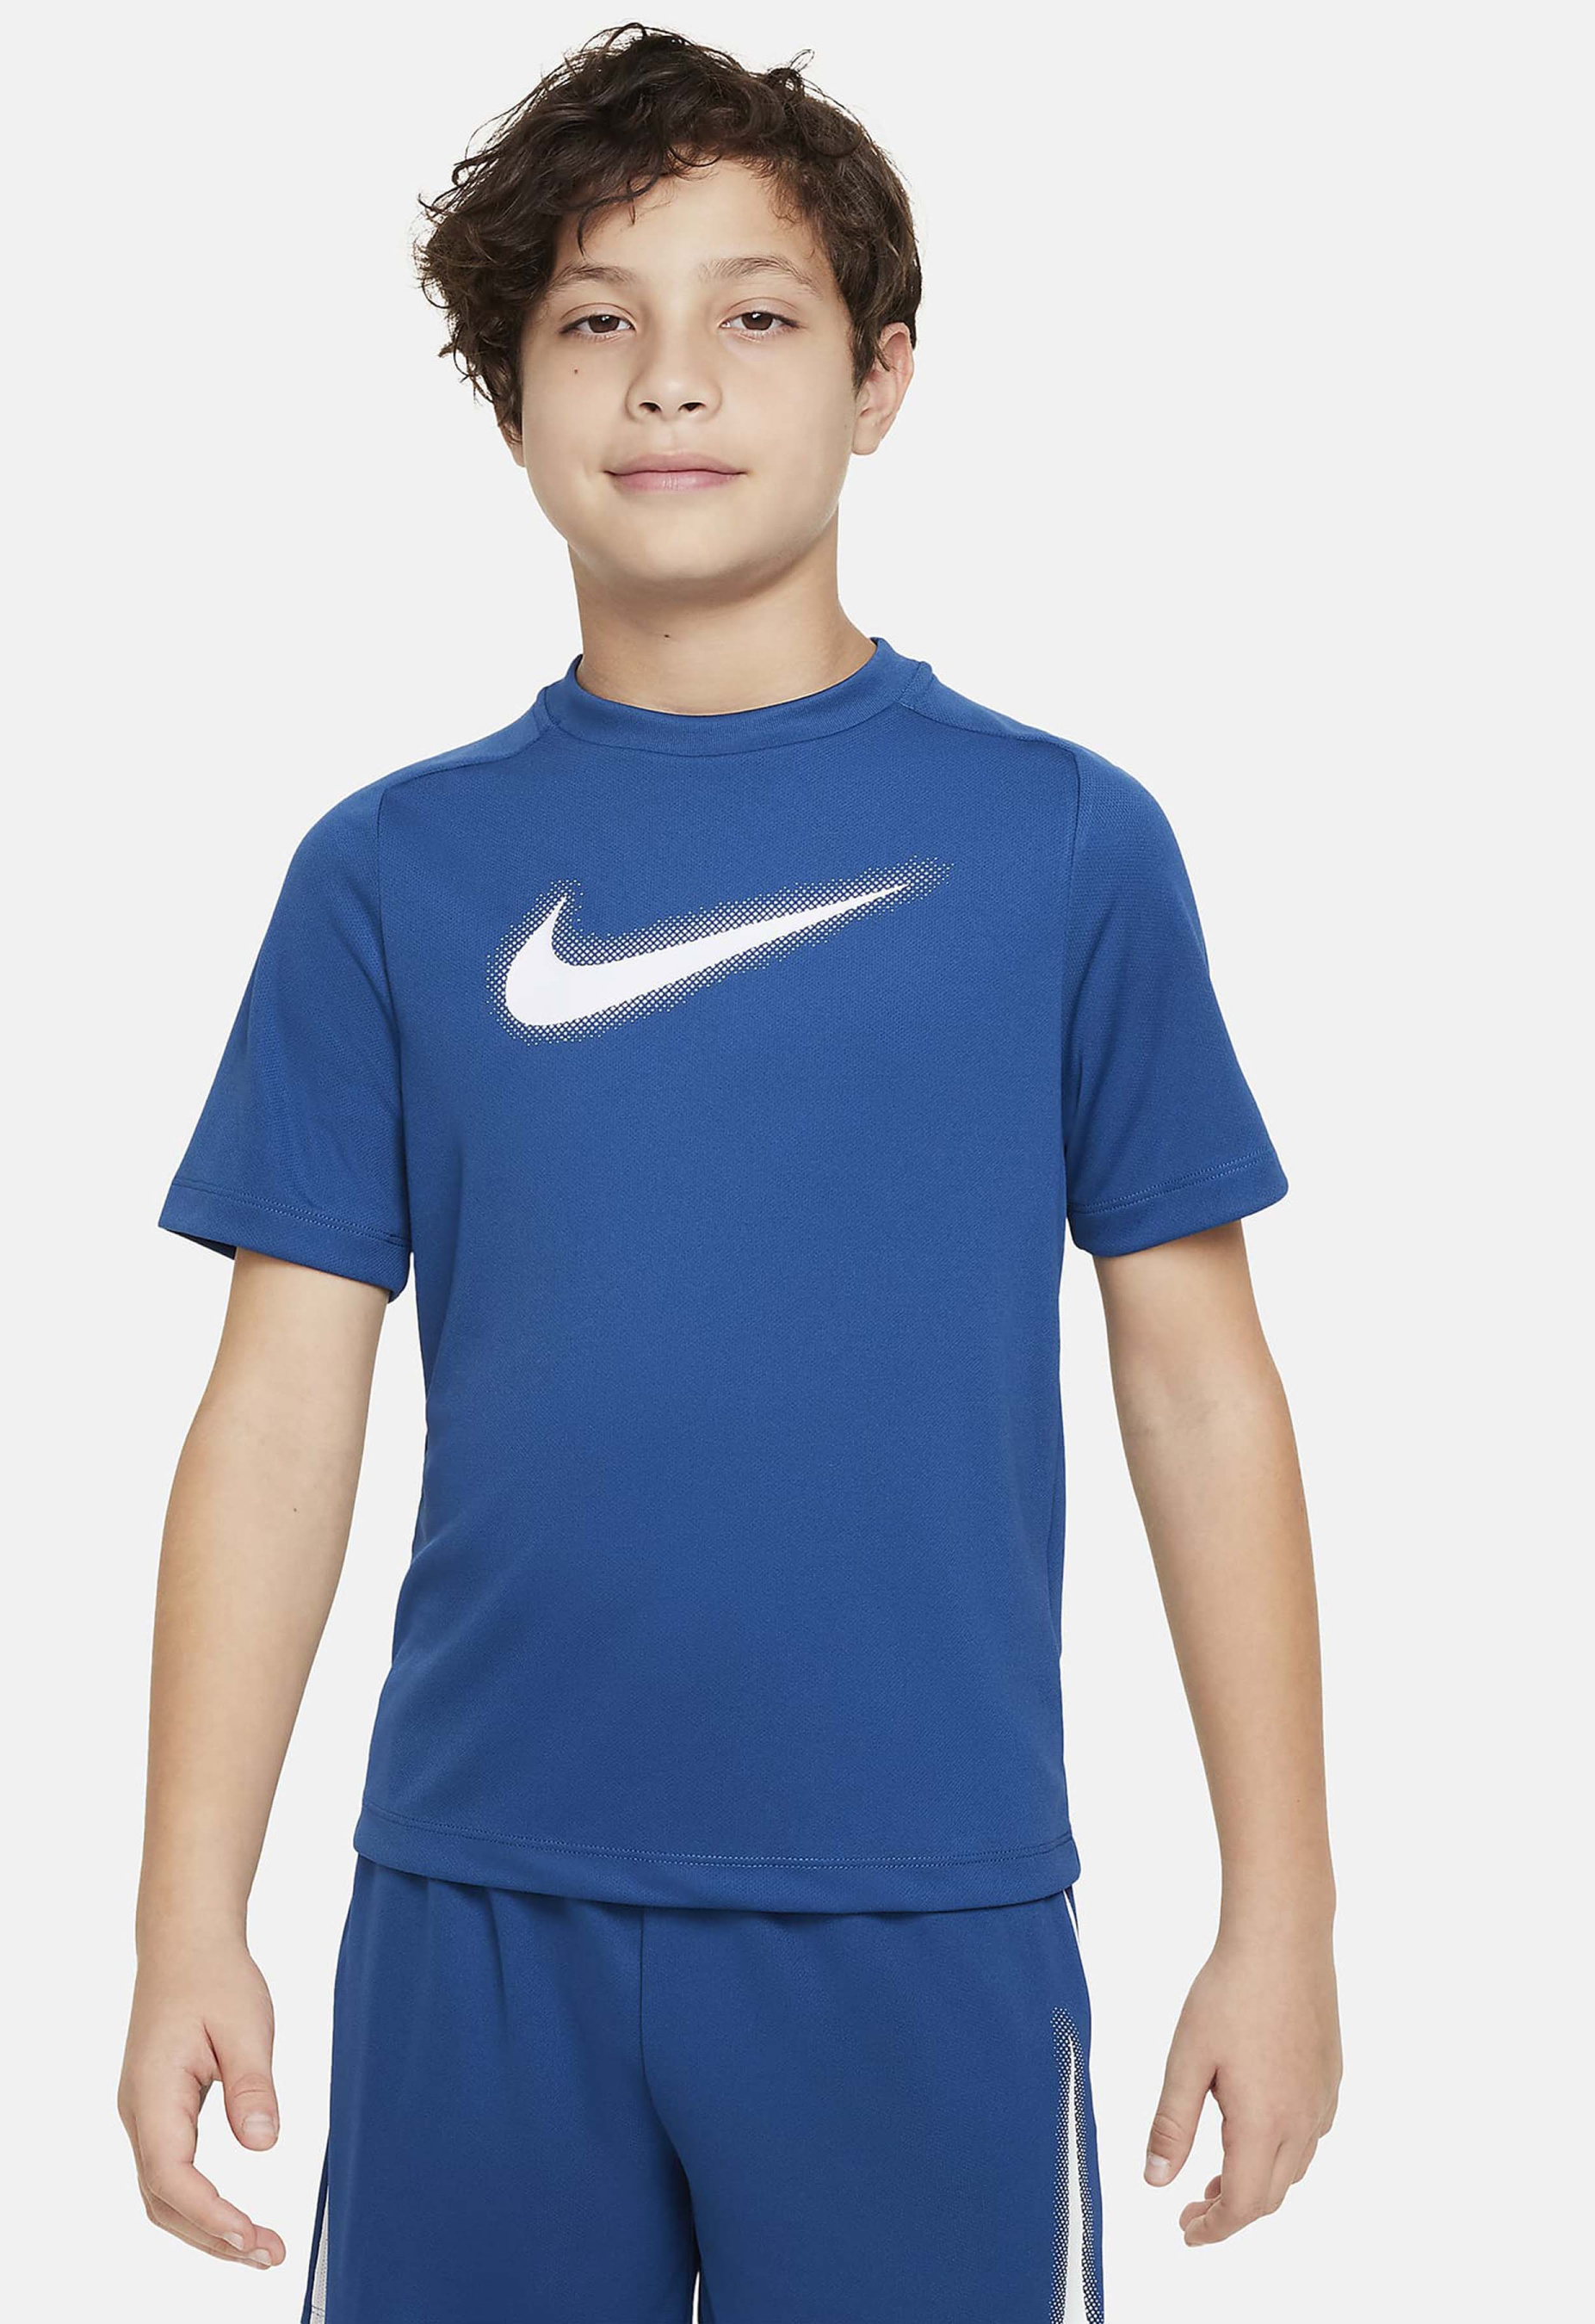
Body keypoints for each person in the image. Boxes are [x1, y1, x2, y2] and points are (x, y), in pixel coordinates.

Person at [118, 23, 1340, 2318]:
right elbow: (277, 1410)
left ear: (882, 380)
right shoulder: (388, 873)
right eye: (595, 318)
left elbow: (1199, 1388)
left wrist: (1282, 1915)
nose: (670, 377)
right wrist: (190, 1912)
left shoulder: (1063, 843)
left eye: (754, 315)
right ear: (508, 398)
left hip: (923, 1914)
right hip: (477, 1904)